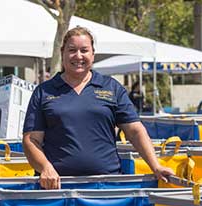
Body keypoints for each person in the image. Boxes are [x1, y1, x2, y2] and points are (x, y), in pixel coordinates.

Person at [22, 26, 175, 189]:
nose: (78, 56)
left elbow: (135, 131)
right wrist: (45, 168)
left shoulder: (111, 87)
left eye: (84, 50)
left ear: (93, 54)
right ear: (63, 53)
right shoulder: (44, 91)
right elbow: (31, 140)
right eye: (72, 50)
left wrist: (156, 166)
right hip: (57, 187)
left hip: (106, 186)